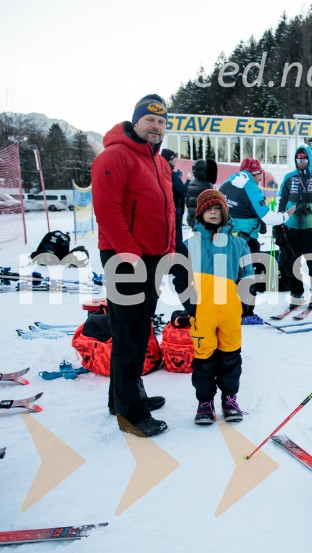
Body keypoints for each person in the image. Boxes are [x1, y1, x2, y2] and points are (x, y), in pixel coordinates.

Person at [91, 93, 174, 438]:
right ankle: (129, 412)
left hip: (152, 258)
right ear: (136, 121)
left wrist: (168, 251)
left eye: (161, 122)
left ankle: (122, 396)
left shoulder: (160, 163)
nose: (156, 127)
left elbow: (168, 211)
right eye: (150, 120)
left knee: (139, 330)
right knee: (127, 332)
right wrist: (131, 254)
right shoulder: (115, 156)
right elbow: (106, 211)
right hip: (125, 258)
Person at [179, 189, 253, 424]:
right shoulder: (189, 245)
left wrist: (247, 302)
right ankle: (205, 402)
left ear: (225, 213)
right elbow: (180, 277)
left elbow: (247, 275)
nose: (213, 212)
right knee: (204, 358)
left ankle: (229, 398)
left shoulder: (239, 244)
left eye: (218, 209)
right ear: (200, 213)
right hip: (202, 311)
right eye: (208, 209)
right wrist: (190, 305)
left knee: (231, 357)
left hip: (230, 311)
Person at [218, 158, 294, 324]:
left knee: (229, 276)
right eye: (260, 173)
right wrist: (286, 214)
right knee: (247, 276)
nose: (261, 178)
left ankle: (227, 311)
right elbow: (268, 216)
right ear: (255, 173)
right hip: (245, 240)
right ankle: (246, 314)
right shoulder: (250, 188)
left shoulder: (226, 184)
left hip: (225, 237)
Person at [277, 146, 312, 307]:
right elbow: (282, 202)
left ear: (310, 160)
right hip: (291, 228)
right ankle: (296, 293)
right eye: (298, 160)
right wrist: (278, 223)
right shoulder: (289, 178)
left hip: (311, 228)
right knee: (292, 262)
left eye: (304, 159)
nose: (301, 162)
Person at [160, 149, 190, 298]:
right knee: (177, 242)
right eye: (174, 159)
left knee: (172, 241)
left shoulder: (162, 170)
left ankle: (174, 265)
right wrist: (188, 181)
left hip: (170, 211)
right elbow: (183, 190)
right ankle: (181, 266)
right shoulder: (169, 173)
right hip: (173, 212)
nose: (175, 162)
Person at [185, 159, 218, 227]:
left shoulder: (191, 183)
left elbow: (188, 202)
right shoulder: (207, 185)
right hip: (203, 220)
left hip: (192, 218)